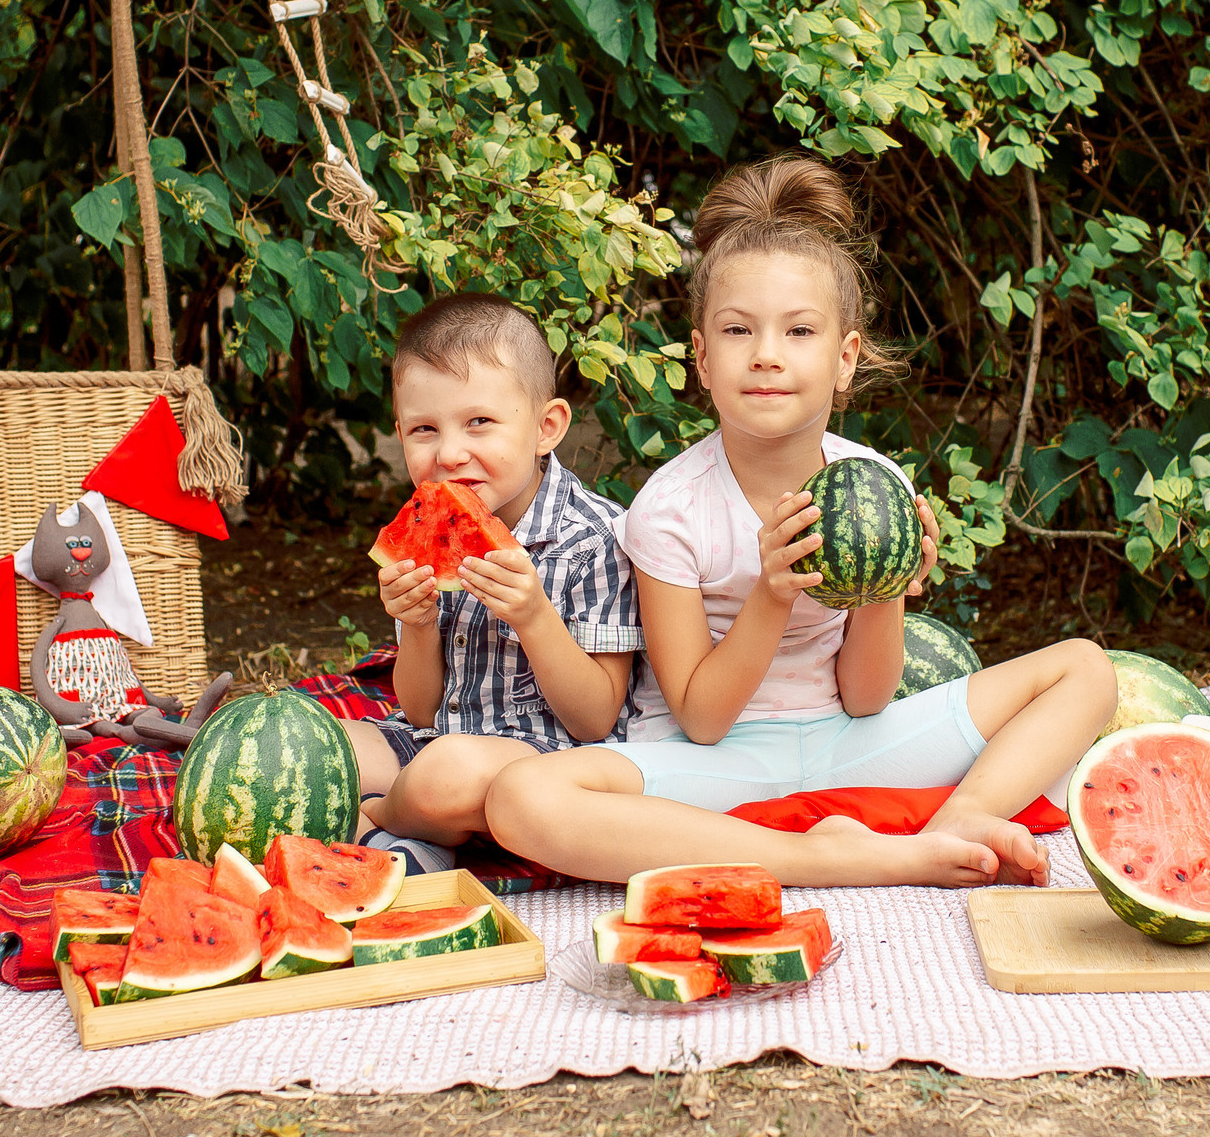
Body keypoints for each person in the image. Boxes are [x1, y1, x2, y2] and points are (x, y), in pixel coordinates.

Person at [484, 157, 1114, 887]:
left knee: (1086, 668)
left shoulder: (877, 484)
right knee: (524, 796)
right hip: (717, 764)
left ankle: (957, 824)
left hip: (849, 739)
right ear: (703, 359)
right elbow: (700, 717)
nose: (768, 356)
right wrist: (771, 593)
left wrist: (887, 589)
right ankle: (820, 856)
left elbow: (868, 697)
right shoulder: (670, 506)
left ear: (845, 358)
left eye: (800, 332)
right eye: (738, 330)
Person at [349, 294, 643, 874]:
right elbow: (420, 709)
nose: (450, 453)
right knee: (321, 749)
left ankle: (381, 825)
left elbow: (597, 718)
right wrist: (417, 626)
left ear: (546, 427)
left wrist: (535, 617)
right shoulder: (432, 525)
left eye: (478, 422)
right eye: (424, 430)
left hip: (546, 769)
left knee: (447, 773)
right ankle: (415, 841)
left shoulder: (596, 539)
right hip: (441, 743)